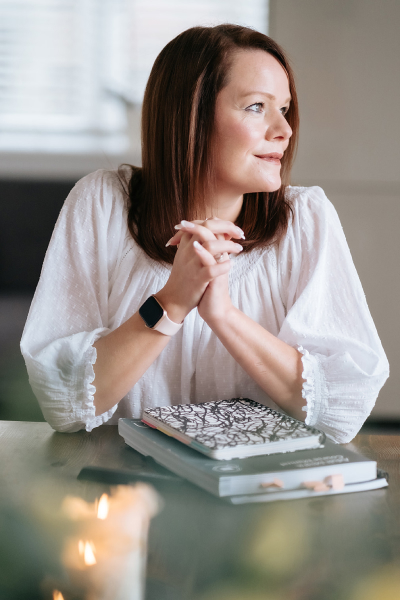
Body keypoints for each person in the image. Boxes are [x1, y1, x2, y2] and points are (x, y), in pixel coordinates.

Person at [21, 24, 389, 442]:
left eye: (283, 109)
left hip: (261, 497)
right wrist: (172, 302)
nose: (283, 130)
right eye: (256, 107)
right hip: (124, 495)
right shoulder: (102, 203)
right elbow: (64, 406)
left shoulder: (306, 218)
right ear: (190, 115)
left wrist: (224, 316)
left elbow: (342, 412)